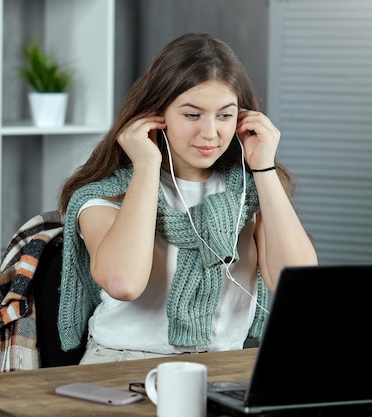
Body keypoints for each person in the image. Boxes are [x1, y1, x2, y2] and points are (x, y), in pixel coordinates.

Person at [55, 33, 318, 364]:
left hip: (223, 367)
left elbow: (296, 281)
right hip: (121, 364)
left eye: (225, 115)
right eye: (192, 115)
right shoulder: (105, 194)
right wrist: (147, 165)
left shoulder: (252, 192)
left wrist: (264, 168)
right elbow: (123, 283)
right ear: (157, 114)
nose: (210, 132)